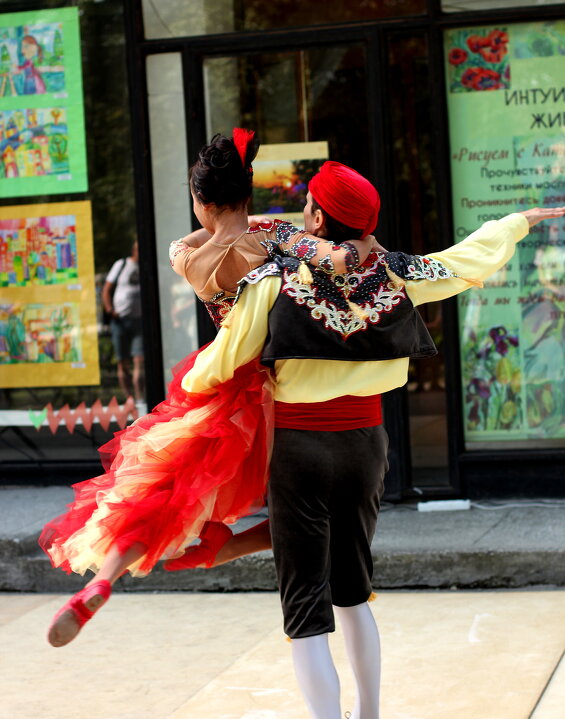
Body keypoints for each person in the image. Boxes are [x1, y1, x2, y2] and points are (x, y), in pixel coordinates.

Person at [162, 158, 564, 719]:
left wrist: (188, 395)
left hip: (299, 448)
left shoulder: (275, 282)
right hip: (368, 446)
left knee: (305, 606)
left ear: (317, 217)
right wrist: (515, 223)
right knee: (353, 588)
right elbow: (462, 264)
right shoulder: (396, 272)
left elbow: (216, 365)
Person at [40, 131, 374, 649]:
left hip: (214, 387)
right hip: (273, 391)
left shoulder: (186, 257)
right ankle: (219, 551)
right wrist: (356, 244)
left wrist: (225, 221)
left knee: (161, 492)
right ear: (247, 193)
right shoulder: (277, 241)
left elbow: (202, 236)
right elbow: (337, 259)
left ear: (201, 202)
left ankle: (107, 576)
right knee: (306, 516)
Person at [102, 241, 145, 405]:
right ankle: (129, 398)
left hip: (139, 320)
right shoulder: (121, 265)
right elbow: (107, 289)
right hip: (120, 319)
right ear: (134, 250)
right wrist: (110, 309)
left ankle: (140, 398)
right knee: (123, 362)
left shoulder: (146, 267)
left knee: (139, 360)